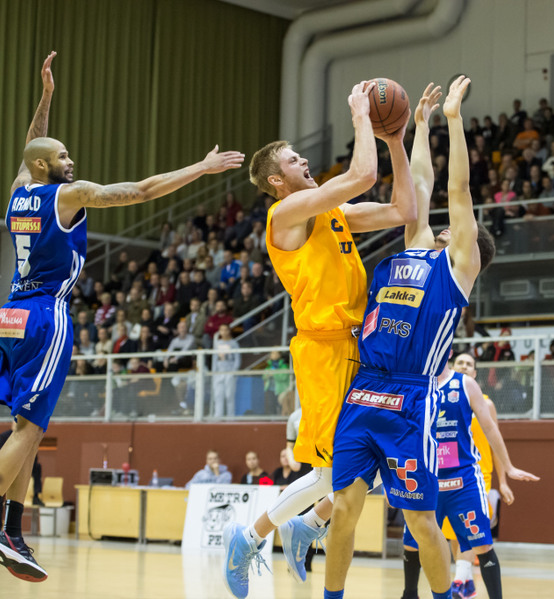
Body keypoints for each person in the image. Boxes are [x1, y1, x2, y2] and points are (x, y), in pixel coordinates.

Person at [0, 52, 243, 584]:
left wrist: (46, 97)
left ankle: (12, 531)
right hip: (46, 313)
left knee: (28, 428)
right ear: (52, 167)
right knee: (29, 433)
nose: (72, 159)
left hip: (8, 315)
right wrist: (202, 169)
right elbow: (140, 191)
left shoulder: (18, 193)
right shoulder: (68, 194)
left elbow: (31, 151)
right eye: (64, 155)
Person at [222, 79, 417, 598]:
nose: (304, 161)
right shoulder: (283, 216)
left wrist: (395, 137)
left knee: (373, 463)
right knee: (336, 467)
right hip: (325, 350)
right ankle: (250, 536)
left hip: (361, 347)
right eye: (293, 160)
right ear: (274, 178)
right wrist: (360, 113)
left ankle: (308, 524)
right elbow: (362, 175)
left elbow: (404, 212)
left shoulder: (335, 216)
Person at [323, 76, 495, 599]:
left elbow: (456, 191)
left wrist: (453, 121)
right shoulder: (417, 245)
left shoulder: (458, 266)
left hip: (407, 398)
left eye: (454, 228)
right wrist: (413, 127)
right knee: (346, 512)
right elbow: (418, 188)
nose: (443, 225)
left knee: (420, 524)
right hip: (363, 389)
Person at [401, 352, 538, 599]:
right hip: (426, 479)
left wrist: (508, 468)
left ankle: (468, 584)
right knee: (412, 542)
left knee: (481, 542)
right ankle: (410, 593)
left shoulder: (464, 384)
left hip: (463, 478)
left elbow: (489, 427)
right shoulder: (415, 382)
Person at [211, 324, 240, 418]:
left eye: (225, 330)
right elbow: (215, 358)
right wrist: (214, 371)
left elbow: (237, 358)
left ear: (229, 331)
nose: (223, 332)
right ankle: (217, 416)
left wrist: (234, 371)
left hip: (230, 372)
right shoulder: (217, 343)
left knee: (229, 395)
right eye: (221, 330)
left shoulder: (234, 343)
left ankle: (230, 417)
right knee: (218, 395)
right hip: (219, 373)